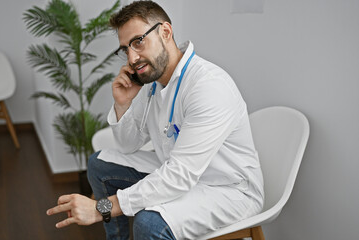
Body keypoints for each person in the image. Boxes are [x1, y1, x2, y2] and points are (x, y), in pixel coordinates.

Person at [46, 1, 264, 239]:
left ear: (166, 32)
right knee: (99, 165)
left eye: (138, 42)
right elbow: (128, 145)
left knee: (149, 223)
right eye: (125, 49)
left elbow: (179, 176)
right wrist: (123, 103)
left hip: (227, 190)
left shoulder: (209, 86)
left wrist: (101, 208)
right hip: (177, 172)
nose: (132, 58)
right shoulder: (153, 82)